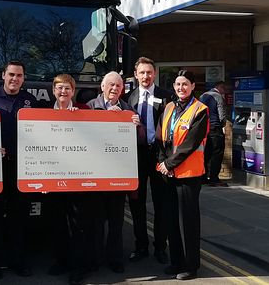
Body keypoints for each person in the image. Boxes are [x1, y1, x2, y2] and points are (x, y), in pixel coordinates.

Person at [0, 60, 38, 280]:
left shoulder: (30, 101)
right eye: (11, 74)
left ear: (23, 78)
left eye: (19, 75)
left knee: (19, 217)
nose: (14, 79)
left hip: (22, 168)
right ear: (3, 75)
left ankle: (18, 261)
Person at [156, 70, 209, 280]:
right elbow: (161, 137)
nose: (181, 88)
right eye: (178, 84)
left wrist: (168, 163)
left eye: (185, 84)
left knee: (188, 221)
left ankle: (191, 265)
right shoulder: (169, 107)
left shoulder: (200, 110)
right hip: (167, 173)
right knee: (170, 220)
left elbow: (190, 144)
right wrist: (161, 162)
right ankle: (176, 261)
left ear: (193, 86)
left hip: (189, 174)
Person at [86, 71, 140, 275]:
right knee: (96, 222)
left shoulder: (128, 110)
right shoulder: (90, 107)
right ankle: (95, 258)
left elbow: (138, 142)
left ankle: (115, 259)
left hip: (118, 175)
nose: (114, 89)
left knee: (117, 222)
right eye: (110, 85)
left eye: (118, 86)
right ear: (102, 87)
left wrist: (136, 127)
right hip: (95, 174)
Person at [124, 57, 173, 264]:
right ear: (136, 74)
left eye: (149, 72)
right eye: (142, 72)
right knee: (137, 203)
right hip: (137, 154)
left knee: (161, 203)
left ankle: (160, 247)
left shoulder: (166, 96)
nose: (145, 76)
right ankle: (141, 245)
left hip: (159, 155)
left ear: (154, 74)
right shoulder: (128, 98)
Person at [46, 74, 93, 285]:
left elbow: (96, 138)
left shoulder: (84, 110)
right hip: (53, 178)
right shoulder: (43, 112)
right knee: (57, 223)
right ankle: (61, 261)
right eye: (59, 88)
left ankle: (78, 267)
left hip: (78, 178)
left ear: (73, 91)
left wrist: (80, 119)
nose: (63, 92)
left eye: (67, 88)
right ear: (53, 91)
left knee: (78, 225)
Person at [199, 81, 228, 186]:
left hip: (204, 129)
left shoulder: (203, 96)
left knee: (205, 154)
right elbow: (222, 115)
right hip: (215, 128)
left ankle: (203, 177)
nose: (224, 92)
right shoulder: (218, 96)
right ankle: (214, 178)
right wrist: (223, 124)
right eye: (224, 89)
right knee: (217, 154)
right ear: (219, 87)